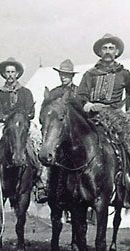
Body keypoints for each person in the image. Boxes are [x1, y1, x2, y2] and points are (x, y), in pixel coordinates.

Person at [74, 33, 130, 207]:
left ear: (116, 52)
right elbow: (81, 95)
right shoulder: (90, 74)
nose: (108, 51)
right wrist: (86, 104)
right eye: (105, 48)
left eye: (111, 48)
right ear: (100, 52)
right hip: (92, 117)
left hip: (115, 116)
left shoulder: (123, 73)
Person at [34, 59, 79, 203]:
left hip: (74, 132)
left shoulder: (78, 92)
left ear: (72, 76)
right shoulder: (54, 92)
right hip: (56, 131)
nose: (64, 77)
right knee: (45, 150)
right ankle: (43, 186)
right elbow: (44, 111)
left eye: (67, 74)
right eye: (62, 74)